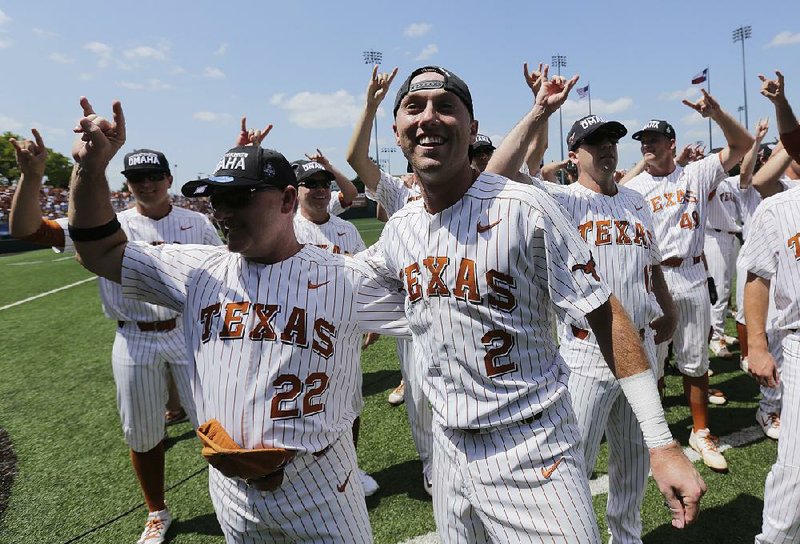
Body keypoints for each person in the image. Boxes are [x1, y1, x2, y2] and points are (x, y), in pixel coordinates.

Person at [360, 65, 705, 543]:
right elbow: (336, 287)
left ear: (473, 127)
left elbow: (604, 313)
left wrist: (663, 442)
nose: (429, 118)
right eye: (414, 108)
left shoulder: (526, 208)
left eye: (446, 106)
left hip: (531, 444)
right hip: (448, 448)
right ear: (396, 132)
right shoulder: (401, 228)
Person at [67, 97, 410, 543]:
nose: (221, 212)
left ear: (288, 199)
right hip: (230, 491)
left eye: (236, 198)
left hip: (323, 485)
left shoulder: (346, 277)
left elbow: (448, 306)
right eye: (215, 199)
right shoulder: (196, 270)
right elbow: (100, 251)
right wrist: (92, 168)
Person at [9, 125, 222, 544]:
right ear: (125, 184)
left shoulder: (195, 222)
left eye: (154, 176)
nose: (146, 184)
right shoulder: (106, 221)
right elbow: (29, 231)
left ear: (168, 179)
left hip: (187, 332)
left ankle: (230, 495)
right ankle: (157, 512)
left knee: (215, 422)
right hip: (133, 335)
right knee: (142, 433)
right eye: (137, 178)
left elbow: (223, 268)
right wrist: (31, 176)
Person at [488, 102, 678, 542]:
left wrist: (667, 308)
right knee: (572, 465)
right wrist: (537, 112)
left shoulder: (636, 201)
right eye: (594, 143)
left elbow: (652, 265)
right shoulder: (559, 199)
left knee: (632, 460)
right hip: (586, 351)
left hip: (640, 347)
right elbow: (496, 176)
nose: (606, 150)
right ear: (573, 155)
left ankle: (626, 537)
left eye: (611, 141)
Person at [625, 95, 754, 472]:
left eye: (653, 140)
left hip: (693, 273)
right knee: (654, 363)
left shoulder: (695, 173)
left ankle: (701, 432)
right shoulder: (636, 188)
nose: (647, 145)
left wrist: (716, 113)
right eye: (642, 141)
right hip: (654, 278)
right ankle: (656, 436)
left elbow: (742, 146)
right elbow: (607, 192)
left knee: (695, 361)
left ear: (671, 144)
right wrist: (639, 166)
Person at [346, 65, 434, 495]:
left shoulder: (470, 190)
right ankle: (433, 468)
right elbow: (357, 160)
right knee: (419, 400)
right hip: (411, 307)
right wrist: (371, 106)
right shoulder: (401, 193)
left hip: (458, 302)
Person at [740, 69, 800, 544]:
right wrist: (757, 345)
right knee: (796, 470)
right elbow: (756, 279)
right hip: (797, 344)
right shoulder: (777, 208)